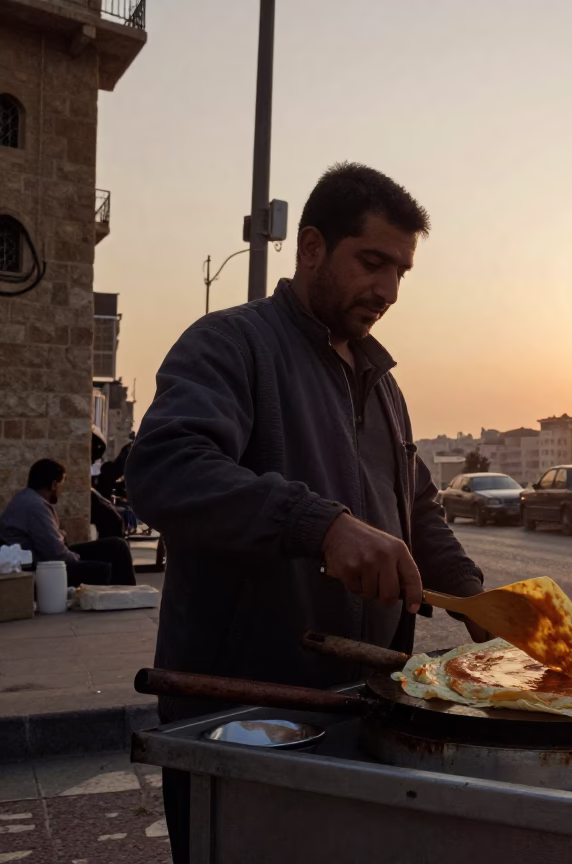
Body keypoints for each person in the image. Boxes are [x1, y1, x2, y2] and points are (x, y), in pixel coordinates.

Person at [125, 163, 488, 864]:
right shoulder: (230, 344)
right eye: (372, 262)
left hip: (362, 712)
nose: (385, 290)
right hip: (245, 724)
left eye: (401, 273)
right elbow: (165, 468)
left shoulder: (384, 387)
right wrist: (317, 523)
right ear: (313, 248)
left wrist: (482, 600)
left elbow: (415, 508)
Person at [0, 459, 137, 586]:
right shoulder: (35, 506)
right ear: (54, 485)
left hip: (48, 557)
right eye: (61, 485)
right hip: (44, 566)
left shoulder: (29, 499)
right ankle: (124, 595)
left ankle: (130, 592)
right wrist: (79, 559)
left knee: (117, 546)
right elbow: (55, 553)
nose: (61, 490)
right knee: (102, 568)